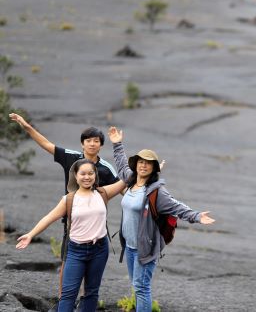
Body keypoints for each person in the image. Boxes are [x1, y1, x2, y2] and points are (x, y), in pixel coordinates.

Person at [108, 127, 215, 311]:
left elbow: (176, 206)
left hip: (146, 248)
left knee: (142, 288)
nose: (143, 165)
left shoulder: (157, 192)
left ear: (154, 168)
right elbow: (121, 164)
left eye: (148, 163)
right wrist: (117, 143)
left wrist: (196, 216)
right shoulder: (131, 179)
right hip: (131, 247)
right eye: (140, 162)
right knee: (137, 287)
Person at [16, 159, 127, 311]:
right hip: (76, 251)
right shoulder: (69, 199)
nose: (87, 177)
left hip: (99, 250)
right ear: (75, 175)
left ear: (95, 175)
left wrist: (149, 166)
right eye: (83, 173)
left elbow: (127, 179)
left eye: (90, 173)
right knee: (68, 294)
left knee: (91, 292)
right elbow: (49, 217)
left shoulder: (103, 193)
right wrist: (30, 234)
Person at [8, 113, 119, 192]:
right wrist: (27, 127)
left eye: (96, 141)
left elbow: (121, 188)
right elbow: (46, 144)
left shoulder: (107, 168)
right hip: (71, 218)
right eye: (88, 141)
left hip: (97, 220)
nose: (92, 144)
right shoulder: (71, 157)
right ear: (82, 144)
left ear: (101, 145)